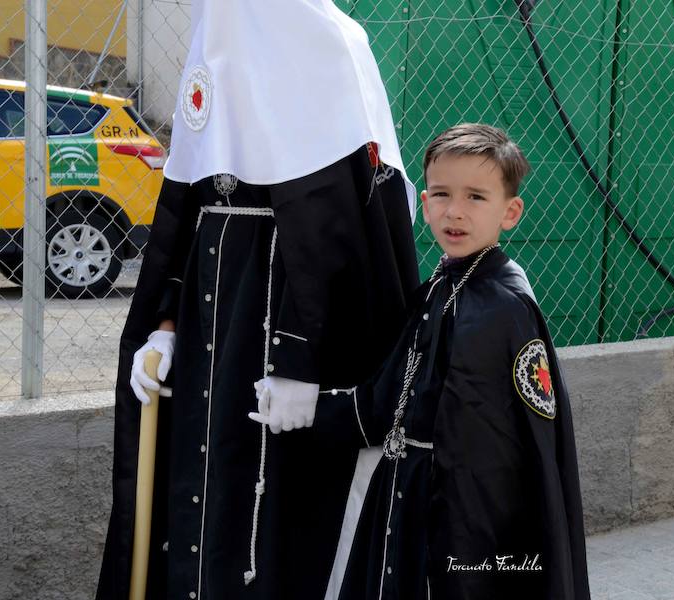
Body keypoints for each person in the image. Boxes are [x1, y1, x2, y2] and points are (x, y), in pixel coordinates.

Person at [96, 1, 419, 598]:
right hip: (206, 317)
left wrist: (302, 361)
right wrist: (164, 325)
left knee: (265, 498)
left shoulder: (326, 41)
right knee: (197, 471)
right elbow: (183, 214)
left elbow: (338, 225)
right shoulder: (216, 32)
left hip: (280, 327)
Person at [295, 123, 591, 599]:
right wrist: (310, 407)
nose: (454, 212)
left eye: (476, 197)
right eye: (441, 194)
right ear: (425, 201)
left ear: (509, 212)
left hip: (463, 524)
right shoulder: (439, 287)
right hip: (411, 501)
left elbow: (496, 451)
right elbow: (388, 397)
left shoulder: (505, 308)